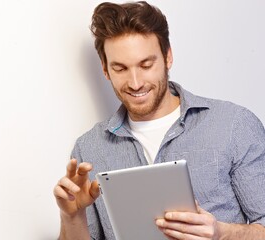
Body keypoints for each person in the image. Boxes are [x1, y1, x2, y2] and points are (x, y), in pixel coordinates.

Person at [53, 1, 265, 239]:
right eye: (120, 68)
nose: (135, 82)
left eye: (146, 65)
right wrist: (72, 216)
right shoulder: (89, 148)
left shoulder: (234, 125)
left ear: (168, 57)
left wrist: (220, 233)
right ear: (105, 69)